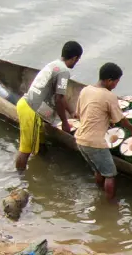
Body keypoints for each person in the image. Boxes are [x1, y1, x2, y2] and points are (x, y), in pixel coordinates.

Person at [74, 63, 132, 201]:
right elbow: (121, 119)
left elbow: (78, 114)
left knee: (99, 170)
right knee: (110, 174)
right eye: (116, 82)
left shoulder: (85, 90)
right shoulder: (109, 96)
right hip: (95, 143)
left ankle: (100, 196)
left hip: (80, 140)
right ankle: (109, 205)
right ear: (109, 80)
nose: (116, 85)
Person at [15, 41, 83, 171]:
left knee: (41, 143)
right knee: (25, 149)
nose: (76, 62)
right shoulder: (63, 72)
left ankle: (44, 170)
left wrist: (71, 112)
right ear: (74, 58)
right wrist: (64, 122)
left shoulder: (54, 65)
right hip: (32, 110)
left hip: (28, 104)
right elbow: (58, 99)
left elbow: (60, 96)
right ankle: (20, 179)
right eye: (77, 60)